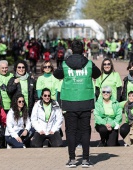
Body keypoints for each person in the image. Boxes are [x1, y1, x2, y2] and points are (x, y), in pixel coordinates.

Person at [53, 39, 101, 168]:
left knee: (71, 131)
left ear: (71, 50)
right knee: (85, 131)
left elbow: (56, 75)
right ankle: (85, 160)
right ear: (83, 50)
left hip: (69, 101)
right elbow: (98, 73)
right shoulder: (89, 64)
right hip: (86, 101)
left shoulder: (64, 64)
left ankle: (72, 159)